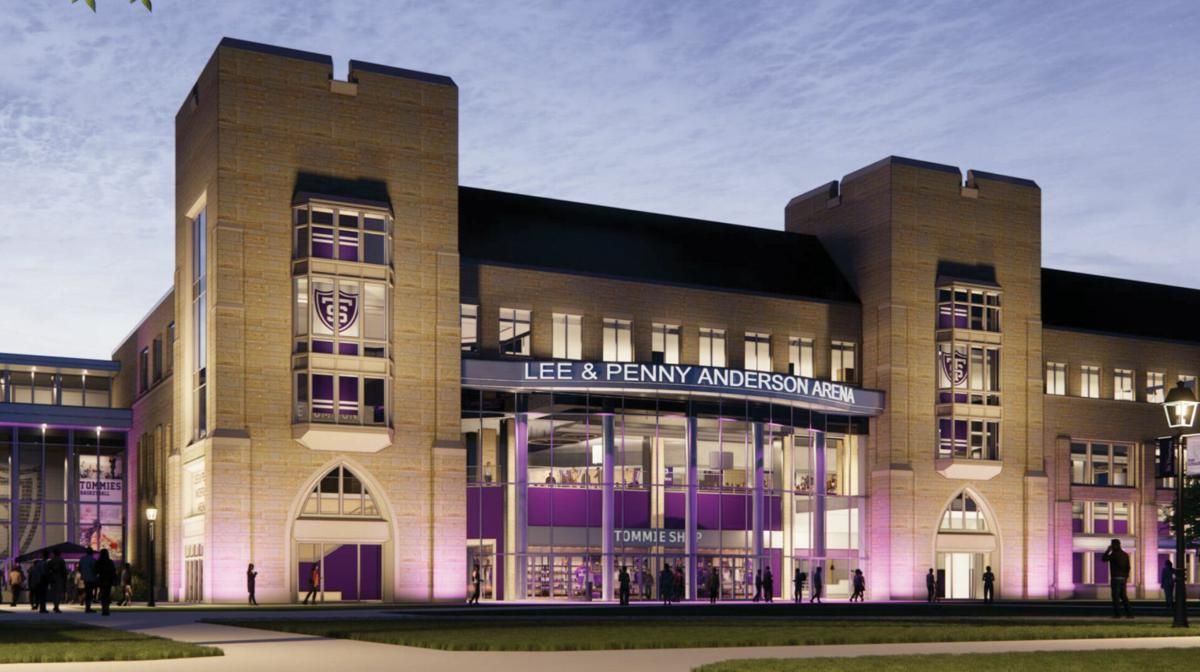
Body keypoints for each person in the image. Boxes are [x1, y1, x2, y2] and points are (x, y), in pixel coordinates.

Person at [1102, 539, 1133, 619]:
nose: (1111, 546)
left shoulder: (1114, 554)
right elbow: (1128, 567)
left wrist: (1108, 550)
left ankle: (1117, 614)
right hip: (1123, 578)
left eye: (1112, 545)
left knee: (1115, 597)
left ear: (1114, 545)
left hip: (1115, 578)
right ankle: (1129, 613)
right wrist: (1126, 576)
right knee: (1123, 596)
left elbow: (1104, 559)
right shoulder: (1125, 555)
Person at [96, 549, 116, 616]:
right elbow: (113, 572)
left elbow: (96, 571)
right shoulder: (110, 562)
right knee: (107, 595)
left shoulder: (99, 562)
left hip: (102, 580)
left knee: (103, 595)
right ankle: (106, 609)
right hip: (108, 580)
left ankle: (104, 609)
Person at [79, 547, 97, 614]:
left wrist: (83, 574)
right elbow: (94, 569)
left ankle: (87, 606)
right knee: (89, 593)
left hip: (85, 578)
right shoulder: (93, 560)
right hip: (91, 578)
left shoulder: (82, 559)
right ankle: (88, 607)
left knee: (87, 592)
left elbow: (79, 568)